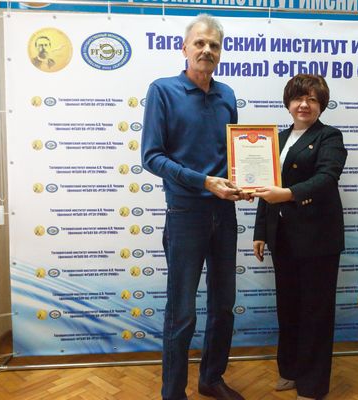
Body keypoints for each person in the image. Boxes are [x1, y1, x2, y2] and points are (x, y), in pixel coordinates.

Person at [141, 14, 246, 400]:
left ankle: (211, 378)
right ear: (184, 48)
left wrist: (242, 183)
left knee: (224, 305)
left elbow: (232, 155)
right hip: (186, 215)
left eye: (214, 45)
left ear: (221, 52)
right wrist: (204, 182)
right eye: (200, 43)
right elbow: (151, 157)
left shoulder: (227, 95)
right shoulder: (162, 90)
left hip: (224, 214)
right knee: (182, 310)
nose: (207, 50)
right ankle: (173, 392)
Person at [252, 74, 347, 400]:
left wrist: (288, 194)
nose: (304, 105)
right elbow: (264, 187)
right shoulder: (276, 139)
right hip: (282, 238)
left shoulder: (329, 136)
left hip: (318, 239)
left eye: (312, 99)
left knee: (315, 313)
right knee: (288, 307)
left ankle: (313, 385)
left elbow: (327, 178)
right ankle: (290, 370)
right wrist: (260, 231)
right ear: (288, 103)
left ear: (321, 104)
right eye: (298, 98)